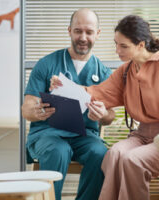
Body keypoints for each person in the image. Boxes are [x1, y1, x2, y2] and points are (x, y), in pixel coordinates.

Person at [50, 15, 159, 200]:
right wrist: (65, 86)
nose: (117, 50)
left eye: (123, 46)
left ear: (141, 45)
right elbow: (96, 92)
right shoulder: (126, 71)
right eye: (116, 44)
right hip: (141, 135)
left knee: (131, 160)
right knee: (114, 153)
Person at [22, 8, 115, 200]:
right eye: (78, 31)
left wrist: (102, 115)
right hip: (48, 134)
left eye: (89, 32)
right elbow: (26, 109)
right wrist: (38, 109)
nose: (83, 37)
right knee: (58, 150)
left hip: (85, 136)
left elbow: (110, 116)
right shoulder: (47, 64)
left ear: (97, 34)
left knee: (100, 154)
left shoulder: (104, 73)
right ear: (69, 31)